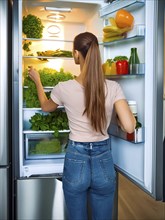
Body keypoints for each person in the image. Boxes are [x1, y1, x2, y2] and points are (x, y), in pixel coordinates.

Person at [28, 32, 136, 220]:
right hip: (104, 158)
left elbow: (46, 107)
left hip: (76, 157)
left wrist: (38, 81)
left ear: (77, 54)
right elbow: (129, 126)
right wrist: (118, 117)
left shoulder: (64, 87)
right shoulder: (113, 87)